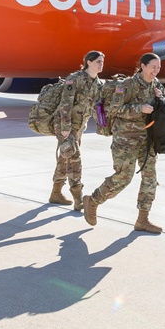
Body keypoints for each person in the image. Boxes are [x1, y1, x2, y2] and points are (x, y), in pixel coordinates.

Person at [83, 52, 165, 234]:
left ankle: (143, 219)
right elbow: (113, 109)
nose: (156, 71)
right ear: (142, 66)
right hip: (125, 139)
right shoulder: (127, 85)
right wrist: (139, 109)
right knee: (123, 177)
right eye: (153, 67)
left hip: (147, 138)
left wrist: (160, 100)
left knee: (150, 178)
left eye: (158, 68)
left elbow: (160, 109)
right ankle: (93, 200)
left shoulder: (157, 85)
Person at [50, 51, 104, 210]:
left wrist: (103, 125)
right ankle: (78, 198)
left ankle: (55, 193)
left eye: (102, 61)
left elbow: (97, 107)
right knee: (75, 160)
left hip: (79, 128)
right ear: (89, 62)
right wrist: (65, 128)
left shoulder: (98, 84)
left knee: (65, 158)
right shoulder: (75, 79)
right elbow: (65, 104)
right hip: (65, 126)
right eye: (98, 61)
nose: (101, 64)